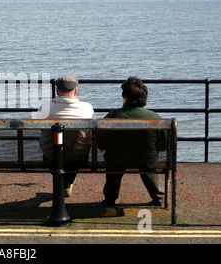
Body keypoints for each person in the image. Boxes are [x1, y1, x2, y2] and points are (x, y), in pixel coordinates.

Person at [98, 76, 167, 207]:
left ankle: (110, 198)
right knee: (149, 159)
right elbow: (164, 144)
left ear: (125, 98)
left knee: (114, 161)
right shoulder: (154, 117)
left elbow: (100, 142)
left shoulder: (113, 115)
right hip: (146, 160)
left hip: (116, 161)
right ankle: (158, 196)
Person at [34, 75, 94, 197]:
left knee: (55, 150)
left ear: (57, 90)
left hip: (52, 155)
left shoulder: (44, 108)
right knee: (75, 151)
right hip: (78, 156)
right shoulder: (86, 108)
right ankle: (69, 181)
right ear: (75, 90)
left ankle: (61, 182)